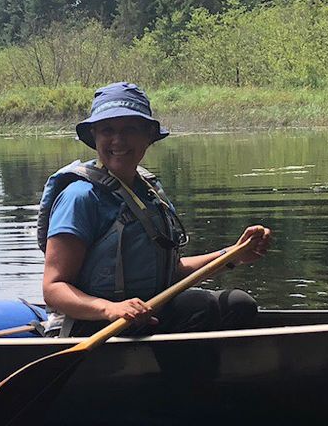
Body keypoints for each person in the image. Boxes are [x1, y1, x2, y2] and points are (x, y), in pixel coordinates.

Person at [38, 82, 271, 336]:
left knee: (238, 305)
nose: (118, 140)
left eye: (129, 129)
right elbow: (53, 288)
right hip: (95, 323)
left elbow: (172, 272)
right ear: (94, 136)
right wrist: (111, 309)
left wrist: (233, 255)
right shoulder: (79, 197)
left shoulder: (149, 192)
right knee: (200, 306)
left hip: (147, 314)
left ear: (148, 136)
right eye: (107, 130)